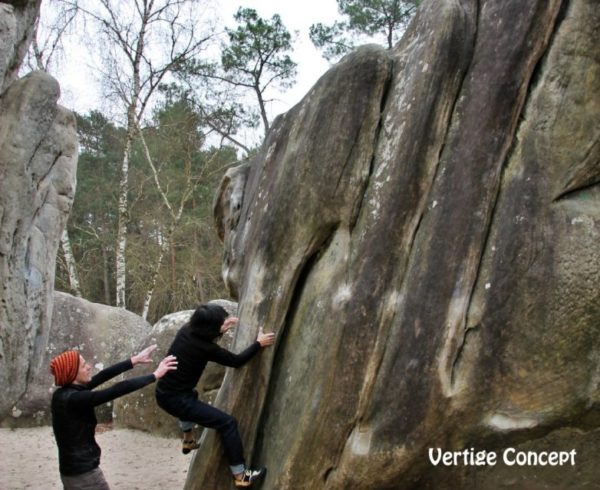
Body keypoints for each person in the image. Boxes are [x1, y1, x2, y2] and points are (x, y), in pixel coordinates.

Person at [155, 303, 276, 488]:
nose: (224, 326)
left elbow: (206, 331)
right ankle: (241, 475)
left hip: (165, 392)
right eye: (221, 324)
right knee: (228, 423)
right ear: (210, 328)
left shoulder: (186, 331)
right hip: (177, 400)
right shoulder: (205, 348)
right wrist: (258, 344)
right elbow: (236, 361)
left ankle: (188, 440)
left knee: (192, 394)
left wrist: (223, 325)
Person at [50, 345, 177, 490]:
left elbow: (103, 375)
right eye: (84, 365)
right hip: (84, 475)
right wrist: (155, 375)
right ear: (72, 374)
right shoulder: (75, 399)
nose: (89, 367)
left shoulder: (63, 394)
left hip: (72, 472)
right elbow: (115, 390)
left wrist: (134, 360)